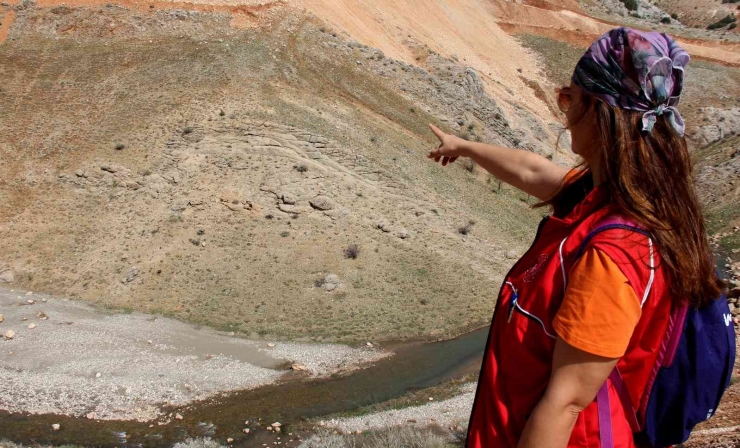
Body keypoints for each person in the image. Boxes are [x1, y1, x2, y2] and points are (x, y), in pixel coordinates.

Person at [428, 28, 726, 447]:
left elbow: (565, 403)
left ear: (599, 112)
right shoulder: (617, 197)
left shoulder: (613, 253)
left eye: (569, 99)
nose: (563, 112)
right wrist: (466, 147)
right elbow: (534, 172)